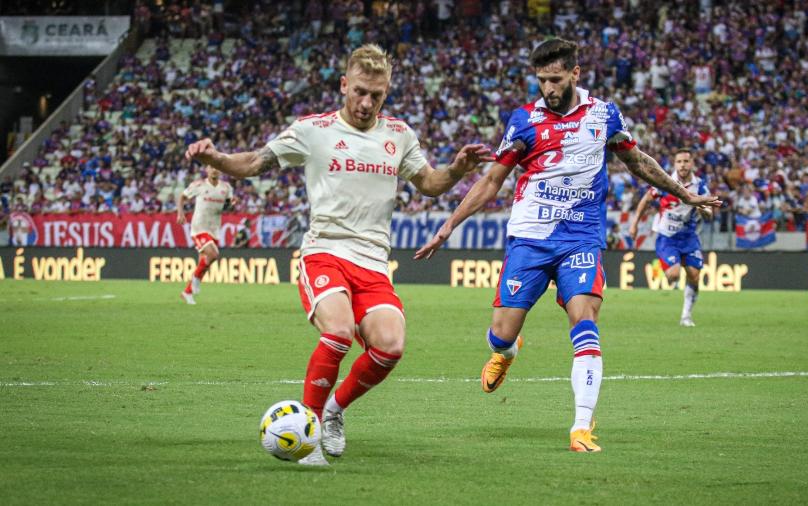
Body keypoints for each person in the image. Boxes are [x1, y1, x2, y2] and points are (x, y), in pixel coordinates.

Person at [184, 44, 491, 464]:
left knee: (390, 345)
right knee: (340, 331)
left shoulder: (398, 135)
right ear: (344, 85)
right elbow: (256, 161)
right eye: (360, 91)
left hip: (372, 261)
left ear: (386, 93)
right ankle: (307, 431)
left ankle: (332, 411)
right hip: (324, 252)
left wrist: (456, 169)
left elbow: (430, 183)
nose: (366, 103)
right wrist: (216, 157)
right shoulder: (313, 130)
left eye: (376, 95)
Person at [414, 39, 720, 453]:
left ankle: (580, 427)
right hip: (530, 239)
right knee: (501, 334)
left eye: (555, 79)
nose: (548, 88)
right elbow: (491, 182)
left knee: (585, 320)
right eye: (541, 80)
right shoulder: (523, 120)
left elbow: (639, 161)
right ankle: (507, 351)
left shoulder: (603, 114)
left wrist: (684, 194)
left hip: (581, 238)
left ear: (575, 74)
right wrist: (448, 226)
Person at [629, 148, 712, 327]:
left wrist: (703, 210)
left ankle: (686, 316)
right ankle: (669, 267)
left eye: (686, 161)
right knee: (673, 275)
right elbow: (646, 200)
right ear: (675, 164)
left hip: (689, 236)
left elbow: (709, 214)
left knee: (695, 276)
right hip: (667, 236)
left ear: (692, 164)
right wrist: (635, 222)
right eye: (679, 162)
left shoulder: (700, 186)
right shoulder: (665, 182)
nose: (683, 165)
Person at [176, 166, 235, 305]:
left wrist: (232, 204)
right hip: (199, 227)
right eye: (211, 168)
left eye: (217, 168)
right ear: (207, 170)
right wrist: (180, 213)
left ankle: (187, 292)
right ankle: (195, 280)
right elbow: (182, 197)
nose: (214, 170)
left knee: (205, 262)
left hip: (214, 228)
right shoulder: (199, 185)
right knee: (213, 254)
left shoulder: (226, 188)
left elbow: (229, 203)